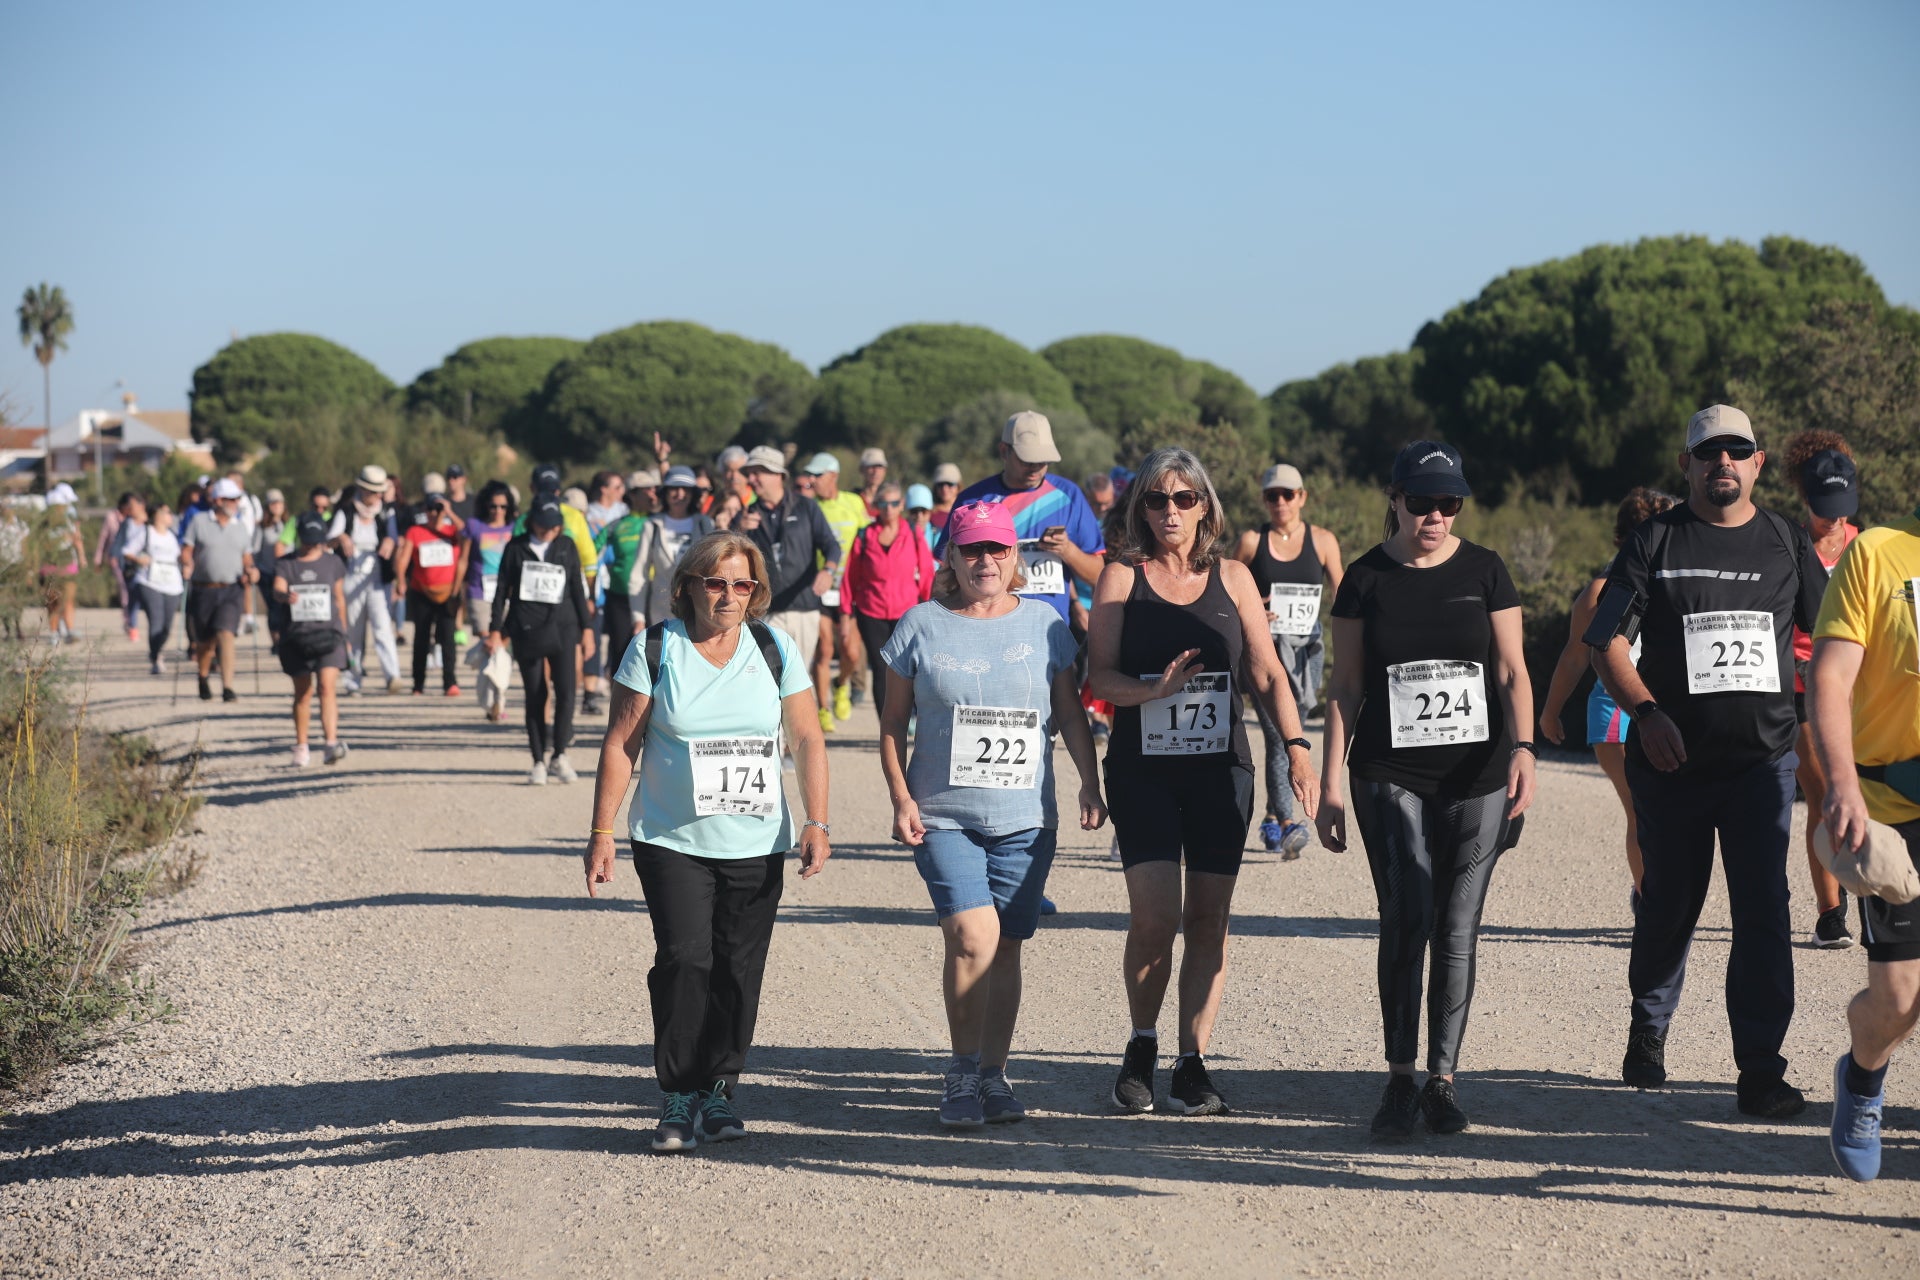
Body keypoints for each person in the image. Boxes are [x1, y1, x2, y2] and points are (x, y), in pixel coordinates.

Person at [1593, 404, 1826, 1119]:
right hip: (1673, 767)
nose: (1722, 462)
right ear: (1687, 465)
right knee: (1670, 905)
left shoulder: (1787, 542)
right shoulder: (1655, 541)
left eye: (1737, 450)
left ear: (1757, 463)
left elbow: (1835, 639)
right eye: (1708, 451)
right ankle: (1649, 1024)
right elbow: (1605, 644)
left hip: (1762, 769)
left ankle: (1760, 1069)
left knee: (1763, 911)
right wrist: (1647, 712)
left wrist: (1825, 722)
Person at [1316, 441, 1535, 1139]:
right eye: (1421, 501)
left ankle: (1443, 1080)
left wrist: (1526, 748)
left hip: (1478, 773)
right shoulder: (1365, 578)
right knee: (1407, 916)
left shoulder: (1487, 571)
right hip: (1388, 771)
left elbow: (1511, 672)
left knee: (1458, 924)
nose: (1435, 515)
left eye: (1449, 503)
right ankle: (1399, 1079)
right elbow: (1344, 687)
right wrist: (1328, 783)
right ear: (1395, 499)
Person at [1087, 447, 1316, 1117]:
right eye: (1157, 500)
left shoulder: (1236, 578)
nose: (1170, 512)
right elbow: (1099, 676)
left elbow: (1270, 674)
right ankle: (1140, 1044)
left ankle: (1192, 1061)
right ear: (1141, 509)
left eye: (1184, 499)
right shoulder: (1121, 578)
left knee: (1209, 920)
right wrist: (1151, 689)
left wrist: (1298, 748)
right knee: (1155, 918)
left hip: (1221, 772)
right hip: (1144, 771)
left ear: (1206, 507)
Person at [586, 530, 830, 1152]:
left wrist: (817, 820)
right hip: (672, 837)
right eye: (715, 582)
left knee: (737, 968)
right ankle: (678, 1092)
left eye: (741, 584)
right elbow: (621, 743)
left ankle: (719, 1090)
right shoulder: (655, 648)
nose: (727, 596)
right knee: (684, 958)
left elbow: (805, 739)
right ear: (689, 585)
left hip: (755, 840)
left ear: (756, 591)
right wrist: (602, 831)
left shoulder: (773, 648)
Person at [878, 500, 1104, 1126]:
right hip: (943, 812)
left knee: (1006, 947)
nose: (986, 560)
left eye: (998, 549)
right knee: (972, 936)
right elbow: (894, 722)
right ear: (949, 556)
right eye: (972, 549)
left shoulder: (1045, 627)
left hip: (1027, 816)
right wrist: (900, 796)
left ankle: (994, 1076)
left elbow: (1068, 713)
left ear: (1015, 558)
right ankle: (959, 1072)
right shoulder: (919, 624)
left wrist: (1090, 781)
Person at [1807, 498, 1920, 1181]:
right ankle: (1864, 1074)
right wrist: (1841, 783)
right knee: (1900, 1000)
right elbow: (1829, 676)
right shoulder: (1878, 553)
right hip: (1891, 806)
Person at [1537, 487, 1678, 911]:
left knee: (1666, 813)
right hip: (1617, 714)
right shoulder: (1601, 591)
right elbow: (1575, 657)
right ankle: (1650, 901)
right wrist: (1548, 713)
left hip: (1670, 710)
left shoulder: (1680, 578)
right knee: (1642, 812)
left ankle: (1661, 897)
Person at [1233, 463, 1346, 859]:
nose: (1280, 502)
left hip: (1307, 657)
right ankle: (1286, 823)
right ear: (1264, 500)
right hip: (1264, 655)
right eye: (1272, 495)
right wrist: (1251, 611)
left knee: (1288, 732)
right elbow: (1223, 593)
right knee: (1281, 737)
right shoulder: (1251, 541)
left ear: (1302, 497)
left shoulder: (1324, 541)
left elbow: (1346, 597)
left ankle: (1268, 817)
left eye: (1288, 494)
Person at [1784, 433, 1863, 948]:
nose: (1831, 518)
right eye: (1821, 506)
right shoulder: (1785, 543)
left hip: (1861, 688)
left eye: (1840, 507)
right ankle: (1830, 910)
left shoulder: (1866, 544)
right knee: (1822, 793)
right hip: (1802, 685)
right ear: (1803, 495)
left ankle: (1873, 887)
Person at [946, 413, 1105, 630]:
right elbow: (945, 571)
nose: (1036, 466)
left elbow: (1098, 575)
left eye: (1043, 459)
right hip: (986, 628)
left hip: (1050, 633)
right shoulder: (972, 500)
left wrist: (1068, 551)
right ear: (1004, 451)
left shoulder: (1069, 496)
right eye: (1027, 459)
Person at [489, 496, 594, 785]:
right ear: (532, 521)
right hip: (527, 628)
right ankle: (537, 760)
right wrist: (495, 629)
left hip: (564, 627)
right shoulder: (516, 548)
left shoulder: (566, 546)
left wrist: (587, 629)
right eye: (544, 525)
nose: (549, 531)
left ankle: (560, 754)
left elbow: (576, 587)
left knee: (567, 692)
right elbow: (501, 590)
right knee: (535, 695)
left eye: (554, 526)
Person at [738, 446, 839, 694]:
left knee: (796, 681)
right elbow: (728, 556)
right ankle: (773, 733)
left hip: (804, 609)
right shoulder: (748, 514)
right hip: (765, 611)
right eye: (749, 473)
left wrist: (828, 571)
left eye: (757, 472)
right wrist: (737, 530)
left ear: (776, 474)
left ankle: (795, 732)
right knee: (767, 679)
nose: (751, 479)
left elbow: (832, 546)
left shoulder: (806, 507)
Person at [844, 481, 936, 721]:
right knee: (881, 669)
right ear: (876, 506)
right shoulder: (865, 536)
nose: (889, 508)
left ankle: (912, 717)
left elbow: (926, 572)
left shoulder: (914, 534)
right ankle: (887, 724)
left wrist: (929, 606)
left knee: (911, 669)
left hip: (906, 612)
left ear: (902, 505)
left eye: (894, 503)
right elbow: (850, 576)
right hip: (870, 611)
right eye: (883, 503)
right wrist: (846, 613)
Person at [274, 511, 350, 766]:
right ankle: (301, 745)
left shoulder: (333, 563)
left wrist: (345, 634)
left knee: (327, 688)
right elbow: (277, 587)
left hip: (330, 636)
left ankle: (330, 744)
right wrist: (285, 596)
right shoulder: (286, 563)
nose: (311, 545)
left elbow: (339, 598)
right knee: (303, 694)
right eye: (307, 539)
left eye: (316, 540)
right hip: (298, 637)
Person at [803, 452, 873, 730]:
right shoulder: (809, 507)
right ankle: (822, 708)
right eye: (810, 475)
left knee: (851, 652)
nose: (811, 481)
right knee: (824, 650)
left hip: (850, 589)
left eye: (816, 476)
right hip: (820, 588)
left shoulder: (853, 503)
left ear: (833, 475)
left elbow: (869, 539)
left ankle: (840, 683)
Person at [180, 478, 259, 703]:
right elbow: (186, 550)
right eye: (230, 499)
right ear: (218, 500)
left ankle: (227, 686)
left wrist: (251, 571)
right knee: (205, 642)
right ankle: (203, 676)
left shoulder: (241, 526)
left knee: (226, 634)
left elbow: (247, 558)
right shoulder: (199, 521)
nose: (234, 503)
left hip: (231, 589)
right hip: (203, 589)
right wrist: (186, 564)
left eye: (236, 499)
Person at [330, 466, 403, 695]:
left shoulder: (385, 513)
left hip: (378, 578)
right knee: (353, 629)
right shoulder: (346, 512)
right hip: (351, 576)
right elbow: (329, 540)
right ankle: (353, 679)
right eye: (373, 491)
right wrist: (341, 538)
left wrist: (391, 543)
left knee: (382, 626)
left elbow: (393, 536)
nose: (377, 496)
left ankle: (393, 676)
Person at [394, 492, 469, 696]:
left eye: (438, 510)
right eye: (431, 509)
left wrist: (449, 512)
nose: (434, 514)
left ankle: (450, 682)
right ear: (425, 511)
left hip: (448, 592)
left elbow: (467, 532)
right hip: (422, 592)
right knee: (421, 638)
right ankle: (418, 684)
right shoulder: (415, 531)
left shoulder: (453, 531)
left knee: (447, 638)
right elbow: (404, 558)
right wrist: (401, 580)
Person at [632, 466, 717, 629]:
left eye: (685, 489)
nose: (680, 494)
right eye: (674, 489)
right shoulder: (652, 526)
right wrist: (638, 618)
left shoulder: (705, 524)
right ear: (665, 493)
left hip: (699, 612)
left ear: (693, 494)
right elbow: (638, 575)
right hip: (661, 613)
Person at [125, 502, 183, 674]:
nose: (170, 515)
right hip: (150, 581)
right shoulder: (145, 533)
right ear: (157, 515)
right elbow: (127, 551)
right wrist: (138, 559)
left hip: (172, 582)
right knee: (156, 621)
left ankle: (156, 649)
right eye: (167, 512)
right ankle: (156, 656)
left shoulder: (173, 535)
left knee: (167, 625)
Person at [461, 482, 517, 644]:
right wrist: (457, 589)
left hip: (507, 592)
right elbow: (463, 559)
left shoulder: (515, 528)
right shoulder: (474, 526)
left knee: (502, 639)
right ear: (486, 505)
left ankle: (496, 668)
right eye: (493, 506)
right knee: (487, 639)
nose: (498, 511)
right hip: (480, 590)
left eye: (503, 507)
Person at [38, 483, 84, 643]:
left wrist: (81, 557)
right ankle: (54, 632)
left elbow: (76, 538)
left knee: (69, 599)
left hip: (67, 564)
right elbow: (37, 544)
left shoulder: (69, 518)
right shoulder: (43, 522)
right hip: (49, 566)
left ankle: (69, 630)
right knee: (53, 602)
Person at [104, 492, 146, 644]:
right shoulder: (127, 523)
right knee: (131, 598)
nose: (129, 508)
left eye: (132, 505)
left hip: (148, 568)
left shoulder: (150, 523)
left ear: (142, 506)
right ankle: (133, 627)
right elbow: (117, 542)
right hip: (130, 567)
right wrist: (113, 557)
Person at [254, 488, 289, 645]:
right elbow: (255, 551)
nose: (276, 506)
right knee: (274, 608)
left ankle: (286, 638)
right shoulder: (261, 527)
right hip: (267, 573)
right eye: (272, 503)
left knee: (285, 608)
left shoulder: (289, 524)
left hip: (287, 574)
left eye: (279, 502)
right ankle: (276, 641)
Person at [905, 484, 938, 552]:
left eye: (924, 511)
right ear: (907, 511)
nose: (919, 515)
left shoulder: (938, 536)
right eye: (914, 511)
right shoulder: (899, 534)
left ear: (930, 511)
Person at [929, 463, 962, 532]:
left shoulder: (966, 512)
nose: (944, 489)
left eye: (950, 484)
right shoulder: (927, 514)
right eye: (940, 484)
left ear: (958, 486)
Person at [857, 447, 888, 512]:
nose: (876, 472)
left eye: (879, 466)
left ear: (885, 471)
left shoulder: (890, 503)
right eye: (871, 466)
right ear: (861, 469)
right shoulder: (852, 499)